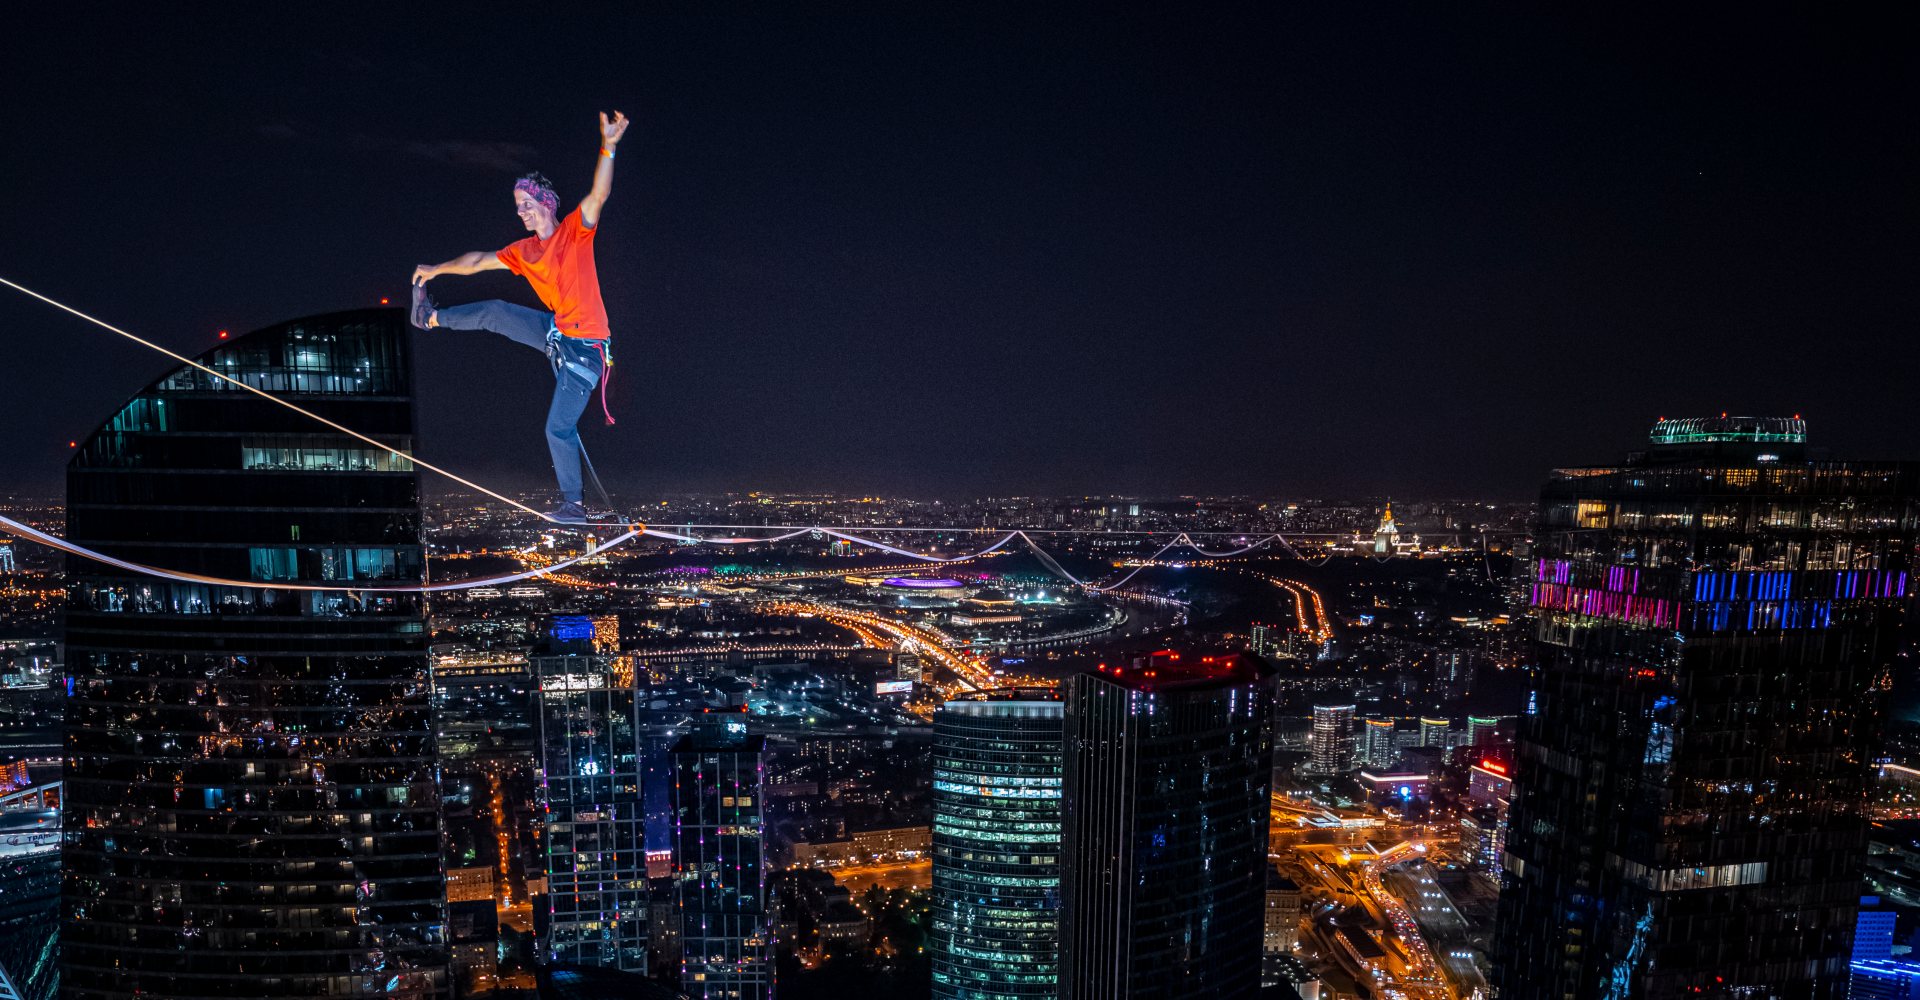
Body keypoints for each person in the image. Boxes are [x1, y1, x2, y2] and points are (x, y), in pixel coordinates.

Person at [410, 110, 631, 525]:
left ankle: (574, 507)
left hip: (585, 352)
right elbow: (476, 262)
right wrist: (436, 269)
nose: (521, 213)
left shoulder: (574, 232)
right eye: (518, 207)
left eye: (527, 205)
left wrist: (609, 145)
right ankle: (431, 318)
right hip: (557, 333)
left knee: (558, 430)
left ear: (545, 204)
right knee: (494, 311)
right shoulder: (525, 251)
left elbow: (598, 194)